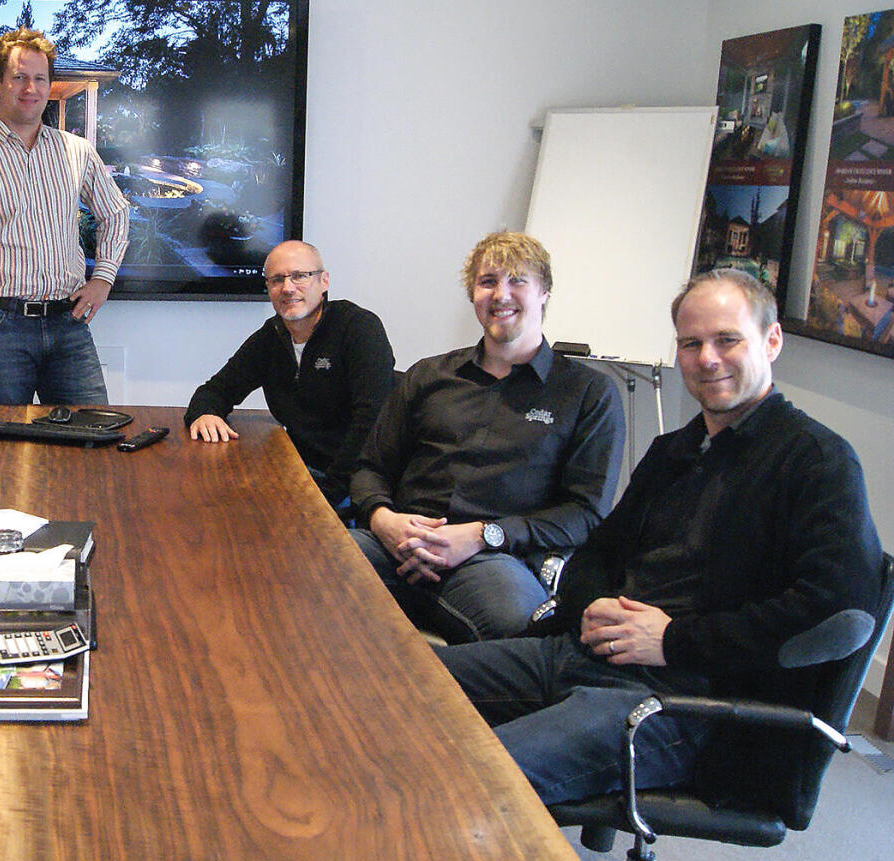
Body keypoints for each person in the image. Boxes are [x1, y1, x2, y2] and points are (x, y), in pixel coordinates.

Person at [437, 269, 882, 805]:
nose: (707, 359)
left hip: (685, 705)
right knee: (394, 684)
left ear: (772, 341)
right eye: (691, 344)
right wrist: (592, 605)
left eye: (727, 340)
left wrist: (672, 641)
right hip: (585, 654)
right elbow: (597, 553)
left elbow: (838, 614)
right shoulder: (675, 450)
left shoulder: (817, 461)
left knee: (468, 779)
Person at [349, 231, 625, 642]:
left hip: (493, 559)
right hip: (396, 546)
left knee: (521, 638)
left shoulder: (588, 393)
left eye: (517, 281)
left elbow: (585, 513)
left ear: (544, 292)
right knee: (300, 576)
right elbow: (369, 469)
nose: (501, 294)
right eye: (488, 281)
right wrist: (383, 520)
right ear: (473, 294)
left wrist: (483, 535)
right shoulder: (428, 375)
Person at [0, 27, 130, 407]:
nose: (30, 88)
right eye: (19, 77)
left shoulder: (77, 152)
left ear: (50, 85)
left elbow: (116, 213)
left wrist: (103, 278)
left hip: (69, 324)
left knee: (92, 433)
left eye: (40, 78)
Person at [185, 240, 395, 505]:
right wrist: (205, 413)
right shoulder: (271, 336)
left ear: (324, 281)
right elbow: (216, 390)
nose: (287, 288)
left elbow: (371, 422)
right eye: (277, 280)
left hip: (362, 482)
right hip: (303, 471)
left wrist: (326, 495)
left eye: (300, 276)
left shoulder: (358, 327)